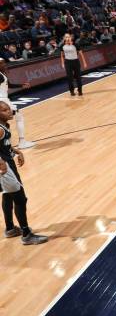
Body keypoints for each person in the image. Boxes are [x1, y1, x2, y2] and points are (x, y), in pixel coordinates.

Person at [0, 102, 47, 245]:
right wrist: (1, 163)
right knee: (20, 198)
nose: (9, 111)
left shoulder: (4, 126)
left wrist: (17, 151)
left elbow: (4, 144)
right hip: (6, 168)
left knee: (8, 195)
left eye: (9, 108)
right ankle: (26, 234)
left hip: (7, 164)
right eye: (5, 110)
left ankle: (10, 229)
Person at [0, 58, 35, 149]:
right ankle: (22, 142)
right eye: (1, 63)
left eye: (4, 62)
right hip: (2, 101)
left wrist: (21, 85)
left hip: (4, 99)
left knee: (4, 122)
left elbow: (9, 85)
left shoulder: (2, 74)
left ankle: (7, 145)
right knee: (18, 116)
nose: (4, 64)